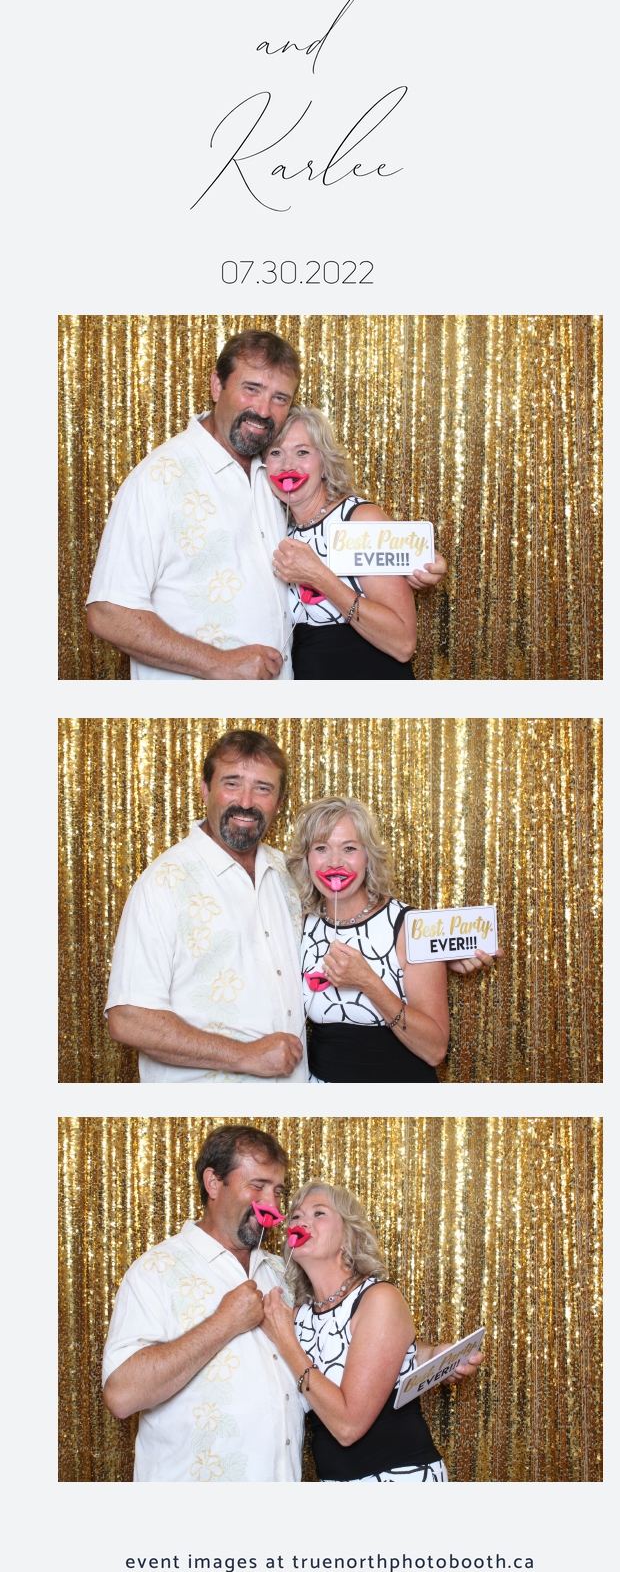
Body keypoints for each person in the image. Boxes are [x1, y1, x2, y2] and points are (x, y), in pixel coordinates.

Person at [86, 329, 300, 681]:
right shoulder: (158, 478)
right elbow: (108, 612)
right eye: (251, 389)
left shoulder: (274, 474)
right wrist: (218, 662)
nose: (263, 410)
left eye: (279, 398)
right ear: (217, 386)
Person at [102, 1126, 305, 1482]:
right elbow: (121, 1394)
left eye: (277, 1191)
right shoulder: (155, 1270)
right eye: (257, 1186)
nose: (272, 1206)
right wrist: (224, 1323)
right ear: (213, 1183)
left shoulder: (282, 1272)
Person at [106, 730, 308, 1084]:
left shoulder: (289, 874)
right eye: (232, 783)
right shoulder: (164, 882)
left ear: (279, 802)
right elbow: (128, 1019)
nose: (246, 801)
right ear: (205, 790)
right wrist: (246, 1055)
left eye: (262, 788)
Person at [262, 1183, 482, 1483]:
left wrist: (285, 1342)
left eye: (319, 1213)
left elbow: (348, 1426)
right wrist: (424, 1354)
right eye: (296, 1216)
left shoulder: (378, 1298)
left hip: (399, 1477)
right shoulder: (298, 1316)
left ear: (348, 1237)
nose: (301, 1222)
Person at [287, 796, 502, 1084]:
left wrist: (367, 982)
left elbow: (435, 1050)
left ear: (368, 857)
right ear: (306, 858)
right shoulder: (300, 925)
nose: (334, 862)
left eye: (349, 848)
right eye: (321, 848)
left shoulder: (409, 927)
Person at [265, 406, 447, 679]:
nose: (287, 465)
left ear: (325, 464)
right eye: (275, 453)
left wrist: (318, 577)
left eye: (302, 452)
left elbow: (403, 644)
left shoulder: (358, 520)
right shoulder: (276, 528)